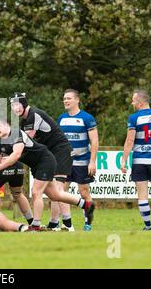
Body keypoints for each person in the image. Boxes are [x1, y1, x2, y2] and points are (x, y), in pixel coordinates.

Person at [0, 119, 94, 232]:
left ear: (7, 125)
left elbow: (16, 155)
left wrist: (0, 166)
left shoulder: (16, 133)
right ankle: (86, 205)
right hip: (37, 165)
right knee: (55, 195)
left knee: (36, 192)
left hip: (45, 160)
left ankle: (35, 225)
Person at [10, 92, 77, 230]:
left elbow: (26, 142)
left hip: (61, 150)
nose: (14, 108)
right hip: (51, 153)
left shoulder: (33, 115)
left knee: (58, 189)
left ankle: (68, 225)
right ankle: (54, 223)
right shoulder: (25, 120)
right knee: (51, 191)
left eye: (17, 105)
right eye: (12, 106)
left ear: (23, 104)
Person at [121, 89, 151, 231]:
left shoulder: (134, 118)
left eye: (133, 100)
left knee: (142, 194)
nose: (132, 103)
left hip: (139, 161)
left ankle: (148, 226)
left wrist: (124, 160)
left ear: (140, 103)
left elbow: (130, 140)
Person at [56, 89, 99, 231]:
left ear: (77, 100)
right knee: (60, 192)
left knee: (84, 192)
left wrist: (92, 162)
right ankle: (65, 223)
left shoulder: (87, 118)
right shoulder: (61, 118)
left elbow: (95, 142)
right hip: (65, 162)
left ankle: (88, 222)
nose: (66, 101)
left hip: (83, 162)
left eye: (68, 98)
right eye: (64, 99)